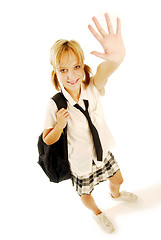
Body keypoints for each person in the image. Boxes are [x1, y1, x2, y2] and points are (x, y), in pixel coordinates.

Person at [43, 13, 137, 233]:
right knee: (86, 194)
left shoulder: (92, 86)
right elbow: (48, 139)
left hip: (102, 152)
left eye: (76, 67)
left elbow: (105, 72)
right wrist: (59, 125)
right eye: (63, 70)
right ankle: (98, 213)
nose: (71, 75)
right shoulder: (54, 104)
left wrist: (117, 58)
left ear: (83, 66)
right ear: (56, 72)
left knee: (118, 179)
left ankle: (116, 195)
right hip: (81, 161)